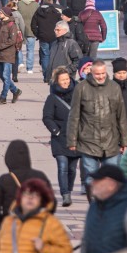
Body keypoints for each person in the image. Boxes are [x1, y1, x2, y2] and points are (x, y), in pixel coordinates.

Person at [67, 59, 127, 186]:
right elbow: (74, 116)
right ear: (91, 72)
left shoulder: (114, 87)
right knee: (91, 178)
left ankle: (109, 204)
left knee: (111, 179)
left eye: (103, 73)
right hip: (88, 141)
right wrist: (72, 140)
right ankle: (94, 203)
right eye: (97, 74)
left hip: (111, 141)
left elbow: (121, 116)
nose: (101, 76)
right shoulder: (81, 88)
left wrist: (125, 141)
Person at [0, 139, 49, 229]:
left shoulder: (5, 179)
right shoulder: (40, 176)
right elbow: (51, 203)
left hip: (12, 227)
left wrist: (1, 227)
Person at [41, 67, 81, 207]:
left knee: (71, 169)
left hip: (75, 138)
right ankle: (65, 194)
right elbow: (47, 117)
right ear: (57, 82)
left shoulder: (78, 94)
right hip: (59, 138)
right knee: (62, 166)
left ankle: (69, 189)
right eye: (62, 80)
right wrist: (55, 131)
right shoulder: (52, 98)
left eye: (67, 79)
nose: (65, 82)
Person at [0, 7, 22, 104]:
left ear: (6, 14)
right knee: (2, 76)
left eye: (1, 12)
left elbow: (12, 41)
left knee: (6, 75)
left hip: (8, 54)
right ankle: (15, 90)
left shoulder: (12, 25)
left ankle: (3, 97)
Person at [31, 0, 63, 78]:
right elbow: (61, 23)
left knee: (45, 56)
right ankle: (52, 75)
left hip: (43, 37)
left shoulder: (38, 11)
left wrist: (37, 34)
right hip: (54, 36)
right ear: (51, 1)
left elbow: (33, 25)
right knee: (53, 55)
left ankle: (46, 76)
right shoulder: (55, 12)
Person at [17, 0, 39, 74]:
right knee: (30, 50)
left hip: (21, 29)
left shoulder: (19, 4)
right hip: (31, 29)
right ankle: (29, 68)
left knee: (18, 48)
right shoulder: (36, 4)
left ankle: (20, 63)